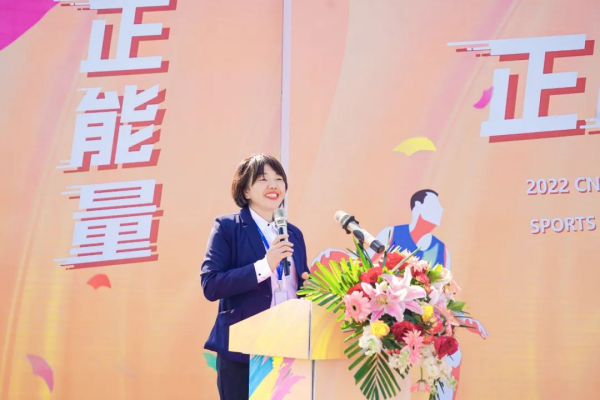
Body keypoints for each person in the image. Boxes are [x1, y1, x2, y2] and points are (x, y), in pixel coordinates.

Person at [201, 154, 310, 400]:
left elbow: (299, 286)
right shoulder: (228, 227)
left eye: (279, 179)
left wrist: (314, 287)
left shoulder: (293, 233)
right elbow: (211, 284)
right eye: (263, 179)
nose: (273, 185)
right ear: (246, 190)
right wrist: (264, 266)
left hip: (290, 348)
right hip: (244, 352)